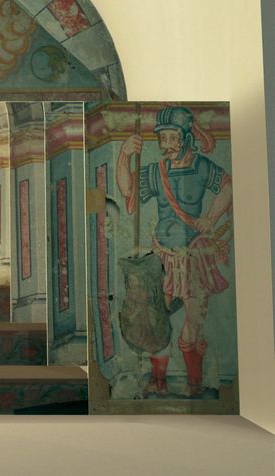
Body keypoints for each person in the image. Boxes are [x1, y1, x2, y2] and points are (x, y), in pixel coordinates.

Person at [116, 106, 232, 397]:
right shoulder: (157, 171)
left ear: (186, 138)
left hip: (193, 256)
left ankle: (195, 383)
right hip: (163, 258)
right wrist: (124, 155)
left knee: (194, 322)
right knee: (157, 319)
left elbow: (229, 186)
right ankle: (158, 380)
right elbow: (128, 191)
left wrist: (211, 218)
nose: (166, 145)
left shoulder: (201, 167)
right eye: (162, 138)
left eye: (172, 138)